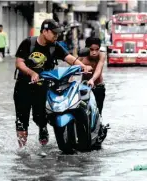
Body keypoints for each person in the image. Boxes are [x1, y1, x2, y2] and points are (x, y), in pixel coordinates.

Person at [14, 19, 92, 148]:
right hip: (23, 87)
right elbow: (19, 62)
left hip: (43, 88)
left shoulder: (54, 46)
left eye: (58, 33)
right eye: (54, 33)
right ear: (44, 31)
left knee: (40, 117)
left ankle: (42, 128)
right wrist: (32, 73)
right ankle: (22, 151)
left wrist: (83, 66)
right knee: (21, 121)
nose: (57, 36)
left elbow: (69, 58)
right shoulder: (28, 43)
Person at [80, 37, 106, 115]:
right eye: (91, 50)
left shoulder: (102, 55)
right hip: (84, 86)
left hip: (98, 86)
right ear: (86, 48)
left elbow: (99, 69)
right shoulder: (81, 57)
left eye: (97, 49)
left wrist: (92, 79)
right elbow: (72, 69)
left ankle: (100, 121)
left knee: (98, 110)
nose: (94, 52)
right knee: (83, 110)